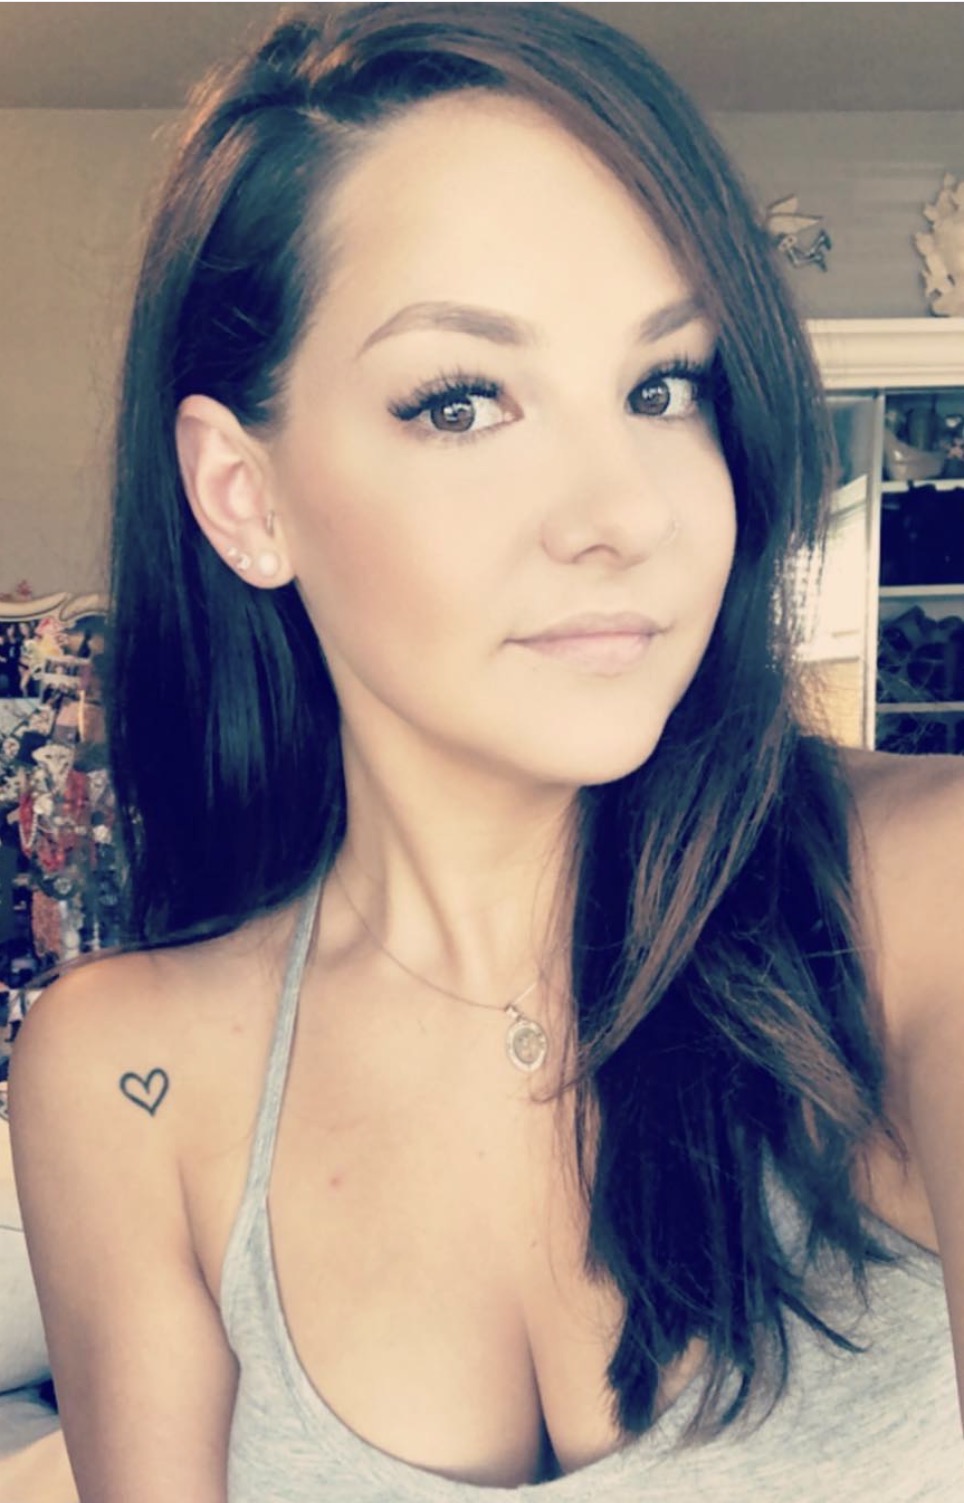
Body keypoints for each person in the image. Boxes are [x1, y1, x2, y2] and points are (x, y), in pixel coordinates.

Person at [8, 3, 964, 1499]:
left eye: (665, 385)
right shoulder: (127, 1079)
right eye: (463, 402)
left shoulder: (921, 900)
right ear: (246, 496)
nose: (627, 511)